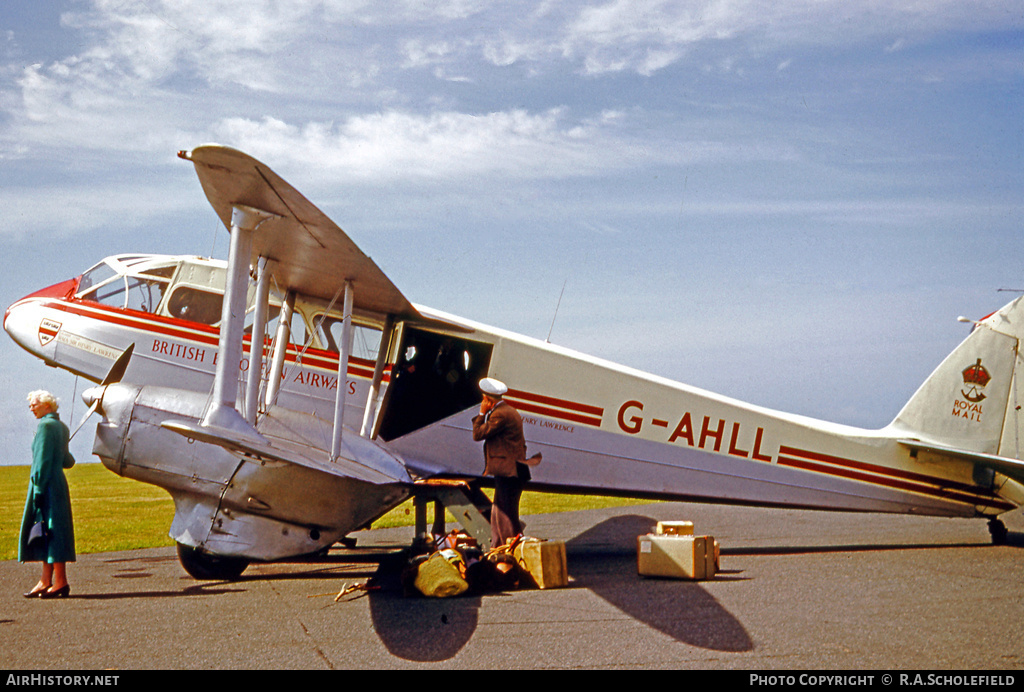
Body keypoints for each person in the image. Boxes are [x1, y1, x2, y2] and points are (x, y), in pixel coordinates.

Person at [19, 390, 76, 599]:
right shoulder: (61, 427)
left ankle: (59, 581)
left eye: (34, 404)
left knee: (48, 530)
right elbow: (67, 461)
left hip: (46, 485)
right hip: (59, 484)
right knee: (51, 530)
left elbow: (41, 463)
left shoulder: (44, 427)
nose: (31, 407)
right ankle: (46, 580)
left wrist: (39, 490)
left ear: (47, 406)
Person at [471, 378, 541, 548]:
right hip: (513, 469)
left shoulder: (500, 414)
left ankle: (507, 549)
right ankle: (502, 546)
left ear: (488, 400)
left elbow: (478, 434)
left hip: (509, 470)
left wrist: (481, 414)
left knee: (504, 514)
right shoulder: (508, 410)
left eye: (483, 400)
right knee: (500, 512)